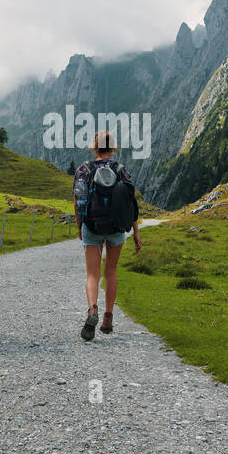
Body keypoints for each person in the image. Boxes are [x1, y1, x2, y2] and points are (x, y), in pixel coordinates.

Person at [74, 130, 141, 341]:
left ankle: (92, 309)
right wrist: (136, 233)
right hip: (116, 229)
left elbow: (77, 202)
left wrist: (80, 227)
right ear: (113, 148)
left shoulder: (84, 169)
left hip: (92, 226)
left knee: (93, 275)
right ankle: (108, 318)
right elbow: (130, 205)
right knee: (111, 272)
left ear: (94, 147)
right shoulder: (121, 170)